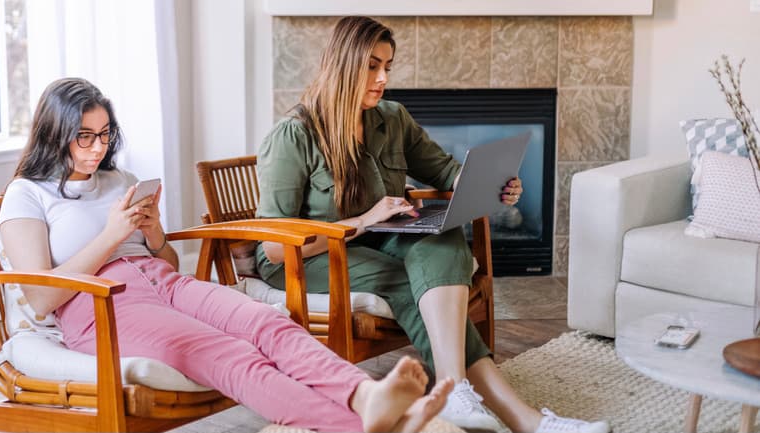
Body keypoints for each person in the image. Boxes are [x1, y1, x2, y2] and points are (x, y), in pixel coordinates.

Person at [0, 77, 455, 433]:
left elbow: (168, 264)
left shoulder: (120, 179)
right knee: (228, 352)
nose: (98, 147)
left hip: (164, 282)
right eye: (84, 136)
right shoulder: (26, 194)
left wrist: (154, 234)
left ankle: (366, 396)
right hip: (100, 304)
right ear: (54, 134)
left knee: (267, 322)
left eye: (104, 134)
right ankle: (362, 427)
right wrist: (112, 235)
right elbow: (41, 297)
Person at [256, 16, 610, 433]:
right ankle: (524, 420)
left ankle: (455, 392)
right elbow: (277, 246)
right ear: (342, 63)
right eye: (371, 66)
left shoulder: (391, 118)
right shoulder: (292, 134)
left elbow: (444, 171)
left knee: (442, 242)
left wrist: (492, 185)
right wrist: (364, 220)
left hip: (377, 238)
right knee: (410, 283)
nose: (383, 77)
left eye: (388, 66)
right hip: (308, 258)